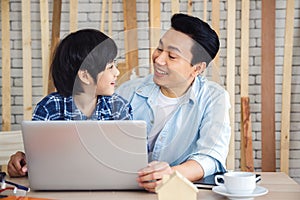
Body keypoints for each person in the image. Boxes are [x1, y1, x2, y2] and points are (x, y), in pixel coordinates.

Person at [117, 13, 231, 192]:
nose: (159, 59)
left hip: (177, 192)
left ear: (197, 68)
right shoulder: (128, 91)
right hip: (126, 190)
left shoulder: (214, 98)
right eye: (159, 49)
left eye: (172, 56)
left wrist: (170, 175)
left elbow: (211, 156)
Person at [8, 29, 132, 177]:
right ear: (85, 76)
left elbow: (129, 159)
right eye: (110, 67)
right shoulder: (50, 108)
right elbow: (37, 161)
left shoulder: (119, 107)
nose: (117, 72)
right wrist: (22, 166)